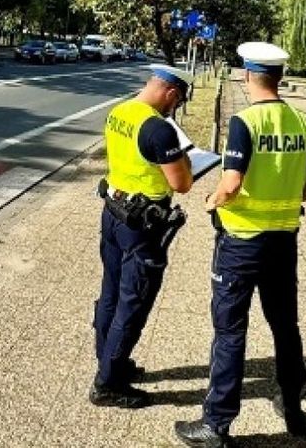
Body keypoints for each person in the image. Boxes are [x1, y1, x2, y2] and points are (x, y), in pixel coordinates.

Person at [175, 42, 306, 447]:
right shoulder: (303, 122)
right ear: (279, 77)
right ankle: (292, 407)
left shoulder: (245, 122)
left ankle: (216, 424)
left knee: (230, 330)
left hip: (241, 244)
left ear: (247, 76)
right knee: (285, 324)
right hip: (284, 240)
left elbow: (231, 185)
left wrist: (211, 200)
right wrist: (293, 198)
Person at [92, 64, 196, 409]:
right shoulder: (158, 129)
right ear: (170, 93)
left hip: (113, 212)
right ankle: (107, 385)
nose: (174, 107)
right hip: (141, 227)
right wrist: (186, 159)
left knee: (110, 292)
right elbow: (182, 183)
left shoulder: (119, 112)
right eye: (177, 101)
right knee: (133, 302)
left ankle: (109, 360)